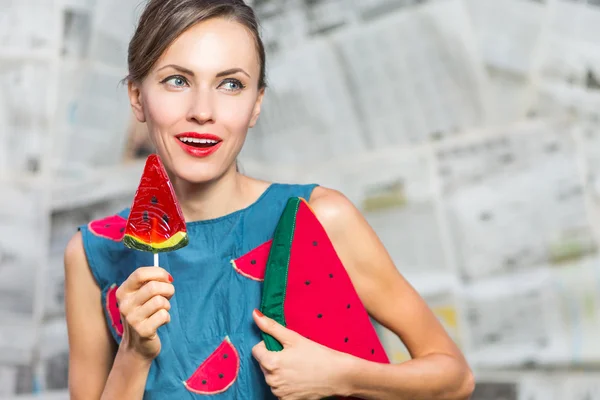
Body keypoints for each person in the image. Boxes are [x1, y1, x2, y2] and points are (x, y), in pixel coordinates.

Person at [64, 0, 475, 399]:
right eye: (177, 80)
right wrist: (134, 353)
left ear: (256, 104)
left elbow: (455, 378)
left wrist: (342, 375)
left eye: (231, 84)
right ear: (137, 96)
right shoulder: (91, 254)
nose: (203, 111)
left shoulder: (320, 217)